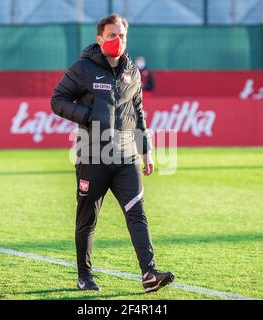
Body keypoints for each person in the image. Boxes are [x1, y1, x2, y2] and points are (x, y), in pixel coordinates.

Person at [51, 13, 174, 293]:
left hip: (126, 158)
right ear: (99, 38)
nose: (117, 41)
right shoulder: (83, 68)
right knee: (88, 220)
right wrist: (89, 116)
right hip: (92, 157)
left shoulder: (133, 72)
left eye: (122, 36)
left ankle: (149, 274)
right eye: (111, 35)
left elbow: (138, 113)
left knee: (137, 213)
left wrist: (147, 151)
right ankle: (85, 276)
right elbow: (57, 100)